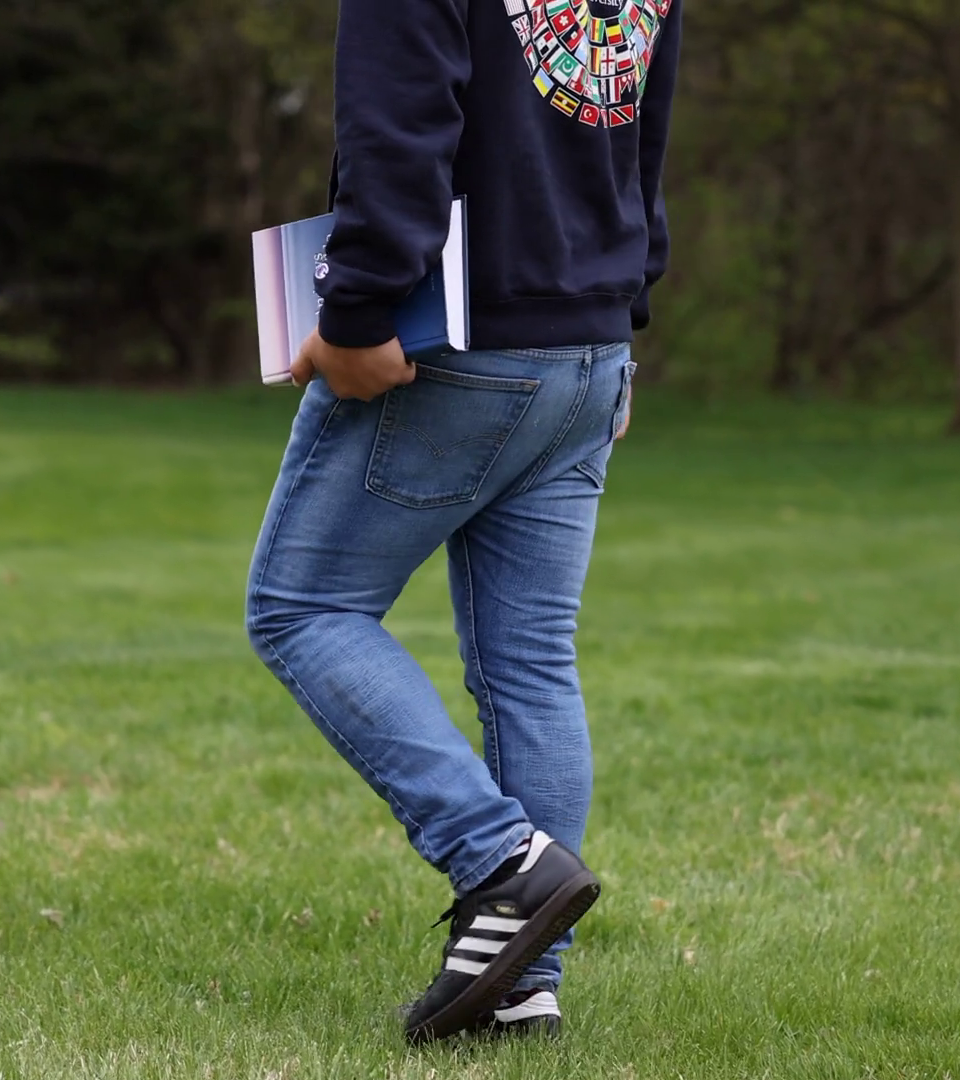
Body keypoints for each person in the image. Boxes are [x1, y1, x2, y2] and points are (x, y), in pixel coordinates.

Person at [244, 0, 682, 1045]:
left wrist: (354, 313)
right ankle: (522, 989)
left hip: (457, 340)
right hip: (585, 344)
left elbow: (398, 128)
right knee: (530, 660)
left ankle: (500, 862)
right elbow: (641, 132)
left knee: (303, 608)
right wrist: (620, 317)